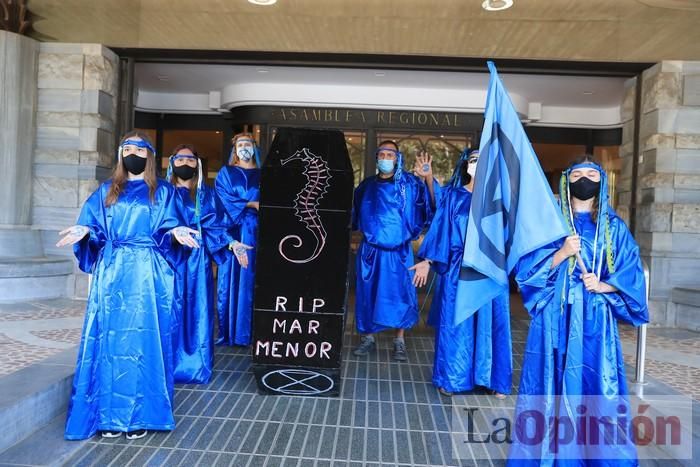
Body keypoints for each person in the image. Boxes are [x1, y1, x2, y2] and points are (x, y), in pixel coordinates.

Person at [57, 132, 200, 440]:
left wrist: (176, 233)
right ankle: (107, 416)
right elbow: (93, 222)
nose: (133, 153)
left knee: (146, 341)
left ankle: (143, 416)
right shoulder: (107, 190)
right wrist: (84, 229)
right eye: (127, 149)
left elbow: (170, 224)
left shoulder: (162, 191)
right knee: (110, 341)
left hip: (149, 275)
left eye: (138, 148)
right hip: (113, 272)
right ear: (121, 154)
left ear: (149, 155)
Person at [508, 156, 648, 465]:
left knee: (594, 384)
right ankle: (547, 453)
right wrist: (562, 253)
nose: (584, 179)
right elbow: (525, 272)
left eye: (591, 174)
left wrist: (602, 286)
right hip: (555, 316)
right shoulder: (550, 225)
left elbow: (632, 276)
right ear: (566, 180)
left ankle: (595, 455)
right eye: (577, 174)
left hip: (594, 319)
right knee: (550, 383)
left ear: (601, 182)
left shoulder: (613, 227)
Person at [411, 150, 512, 397]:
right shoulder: (454, 197)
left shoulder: (500, 199)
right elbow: (441, 229)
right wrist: (428, 260)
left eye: (484, 159)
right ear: (466, 165)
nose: (478, 164)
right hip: (459, 270)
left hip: (490, 271)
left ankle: (493, 379)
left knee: (492, 324)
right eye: (474, 159)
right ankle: (452, 377)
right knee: (457, 323)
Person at [352, 140, 439, 361]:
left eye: (390, 155)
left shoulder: (409, 184)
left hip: (399, 252)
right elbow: (354, 215)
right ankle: (367, 337)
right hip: (370, 251)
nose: (385, 159)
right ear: (377, 158)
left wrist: (427, 178)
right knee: (367, 293)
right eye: (382, 154)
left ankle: (399, 340)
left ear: (397, 158)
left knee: (401, 294)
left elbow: (433, 204)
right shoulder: (366, 186)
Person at [167, 144, 232, 384]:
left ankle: (195, 365)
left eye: (191, 160)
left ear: (198, 165)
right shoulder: (162, 193)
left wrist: (232, 243)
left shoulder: (206, 194)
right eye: (181, 159)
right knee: (168, 310)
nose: (186, 164)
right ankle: (164, 365)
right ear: (173, 162)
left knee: (198, 310)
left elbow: (217, 225)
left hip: (197, 259)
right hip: (169, 259)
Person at [215, 132, 261, 346]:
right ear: (235, 149)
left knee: (254, 279)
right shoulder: (226, 172)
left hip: (259, 230)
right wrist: (250, 204)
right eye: (240, 144)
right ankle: (233, 332)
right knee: (233, 279)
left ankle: (252, 332)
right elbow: (222, 199)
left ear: (254, 147)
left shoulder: (263, 174)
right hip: (233, 229)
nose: (244, 147)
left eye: (248, 144)